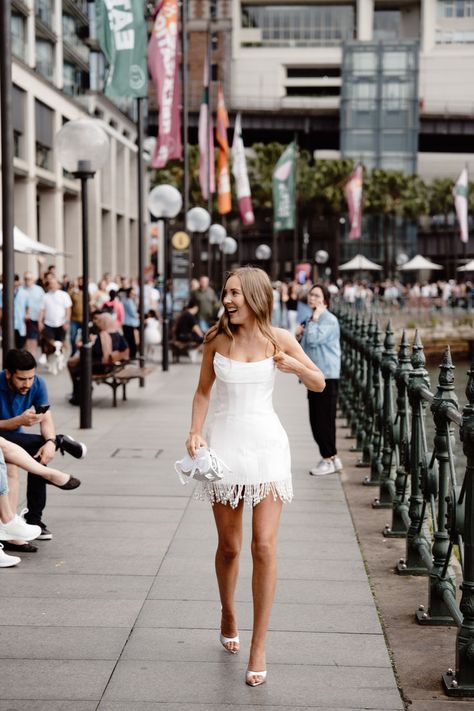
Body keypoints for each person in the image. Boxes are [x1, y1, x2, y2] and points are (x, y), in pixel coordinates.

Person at [185, 266, 325, 687]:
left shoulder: (279, 338)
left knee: (263, 545)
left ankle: (259, 645)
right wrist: (194, 431)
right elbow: (203, 391)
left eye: (235, 294)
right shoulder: (216, 339)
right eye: (226, 293)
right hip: (225, 447)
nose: (228, 301)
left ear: (255, 296)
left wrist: (293, 367)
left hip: (267, 448)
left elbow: (319, 382)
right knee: (229, 547)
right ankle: (228, 610)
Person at [0, 349, 86, 552]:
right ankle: (12, 530)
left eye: (31, 378)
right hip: (3, 436)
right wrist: (17, 421)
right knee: (14, 464)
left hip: (17, 439)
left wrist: (49, 441)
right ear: (8, 373)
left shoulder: (38, 384)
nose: (27, 384)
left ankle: (34, 520)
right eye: (22, 379)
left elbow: (45, 416)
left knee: (40, 451)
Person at [296, 283, 342, 476]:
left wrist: (313, 320)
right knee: (316, 419)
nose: (311, 298)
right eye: (311, 295)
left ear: (324, 300)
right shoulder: (312, 319)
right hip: (315, 375)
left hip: (327, 376)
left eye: (316, 295)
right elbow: (305, 347)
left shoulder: (328, 320)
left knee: (323, 420)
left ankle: (328, 458)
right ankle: (332, 458)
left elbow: (314, 340)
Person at [67, 312, 129, 405]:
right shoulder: (117, 334)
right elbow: (125, 349)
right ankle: (79, 394)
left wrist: (91, 343)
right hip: (113, 365)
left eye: (100, 321)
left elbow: (95, 352)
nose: (98, 323)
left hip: (103, 366)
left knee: (77, 369)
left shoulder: (103, 335)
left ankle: (80, 396)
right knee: (78, 367)